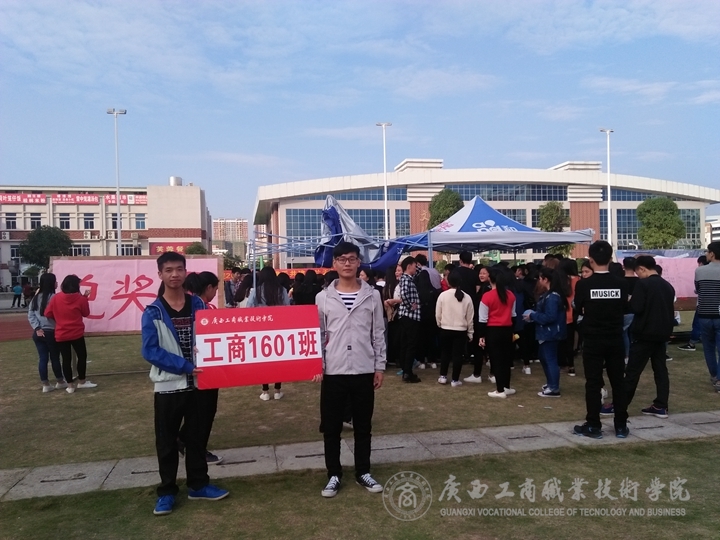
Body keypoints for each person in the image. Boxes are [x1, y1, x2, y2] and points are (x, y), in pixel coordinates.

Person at [141, 252, 228, 516]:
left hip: (203, 384)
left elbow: (216, 337)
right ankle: (167, 492)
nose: (175, 275)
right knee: (167, 442)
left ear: (185, 272)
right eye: (168, 270)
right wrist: (185, 366)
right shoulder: (153, 311)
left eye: (179, 269)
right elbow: (150, 351)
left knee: (198, 439)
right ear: (160, 274)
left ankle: (198, 485)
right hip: (170, 385)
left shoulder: (199, 306)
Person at [314, 242, 386, 498]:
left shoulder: (372, 295)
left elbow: (378, 332)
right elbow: (319, 334)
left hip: (363, 368)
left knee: (363, 426)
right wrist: (318, 363)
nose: (347, 263)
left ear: (359, 263)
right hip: (334, 370)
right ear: (334, 263)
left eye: (352, 259)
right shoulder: (323, 297)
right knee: (331, 427)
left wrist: (379, 366)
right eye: (342, 259)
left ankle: (363, 471)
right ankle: (333, 474)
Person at [573, 241, 629, 439]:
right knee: (618, 382)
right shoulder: (621, 284)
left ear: (591, 260)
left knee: (593, 383)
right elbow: (624, 308)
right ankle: (620, 425)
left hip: (593, 338)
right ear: (610, 258)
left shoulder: (584, 284)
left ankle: (593, 425)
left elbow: (578, 308)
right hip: (615, 337)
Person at [620, 256, 676, 418]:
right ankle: (661, 405)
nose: (637, 275)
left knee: (632, 371)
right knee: (660, 370)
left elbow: (636, 308)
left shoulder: (643, 284)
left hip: (644, 333)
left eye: (637, 272)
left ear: (642, 269)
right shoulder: (667, 286)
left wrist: (629, 301)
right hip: (662, 333)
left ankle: (620, 405)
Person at [179, 271, 223, 465]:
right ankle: (197, 450)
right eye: (215, 289)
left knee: (200, 411)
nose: (215, 293)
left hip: (200, 366)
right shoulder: (200, 307)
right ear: (209, 288)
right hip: (204, 367)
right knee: (204, 411)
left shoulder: (194, 304)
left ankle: (183, 439)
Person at [44, 275, 96, 394]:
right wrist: (85, 298)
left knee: (66, 359)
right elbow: (86, 313)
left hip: (61, 333)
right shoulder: (80, 299)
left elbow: (47, 313)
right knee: (82, 356)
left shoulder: (56, 298)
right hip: (76, 333)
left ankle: (70, 385)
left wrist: (58, 319)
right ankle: (82, 381)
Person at [524, 267, 569, 397]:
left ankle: (554, 387)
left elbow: (550, 317)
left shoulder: (552, 297)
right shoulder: (551, 295)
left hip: (550, 333)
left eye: (540, 278)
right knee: (545, 358)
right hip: (548, 332)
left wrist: (533, 316)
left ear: (545, 279)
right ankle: (551, 384)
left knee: (550, 359)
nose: (539, 281)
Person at [247, 266, 290, 399]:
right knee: (278, 359)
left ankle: (265, 391)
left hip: (261, 329)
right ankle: (277, 390)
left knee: (263, 360)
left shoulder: (256, 291)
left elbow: (249, 308)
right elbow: (287, 308)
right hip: (278, 329)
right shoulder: (281, 290)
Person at [478, 266, 516, 398]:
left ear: (490, 279)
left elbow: (482, 319)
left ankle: (500, 390)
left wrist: (481, 335)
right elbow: (514, 315)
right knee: (506, 359)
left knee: (496, 360)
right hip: (507, 329)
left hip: (493, 331)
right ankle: (506, 386)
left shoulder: (487, 296)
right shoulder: (510, 295)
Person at [28, 272, 66, 392]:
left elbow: (30, 315)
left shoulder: (35, 298)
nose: (57, 283)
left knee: (43, 358)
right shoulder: (54, 297)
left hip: (38, 333)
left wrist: (37, 328)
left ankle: (45, 384)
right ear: (51, 283)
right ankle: (60, 381)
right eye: (55, 281)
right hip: (51, 331)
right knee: (55, 358)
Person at [435, 270, 474, 386]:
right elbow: (470, 317)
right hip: (461, 330)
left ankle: (443, 376)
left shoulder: (443, 295)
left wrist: (440, 324)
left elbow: (438, 314)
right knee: (458, 355)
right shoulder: (467, 297)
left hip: (445, 328)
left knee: (445, 353)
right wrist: (470, 332)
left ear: (448, 281)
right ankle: (455, 380)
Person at [695, 242, 720, 392]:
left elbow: (698, 289)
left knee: (708, 347)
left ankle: (714, 375)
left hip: (704, 314)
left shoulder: (700, 271)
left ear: (712, 254)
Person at [396, 256, 422, 383]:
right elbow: (404, 294)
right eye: (414, 266)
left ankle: (406, 370)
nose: (416, 268)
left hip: (406, 315)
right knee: (411, 344)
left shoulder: (407, 278)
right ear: (409, 266)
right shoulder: (406, 279)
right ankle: (407, 372)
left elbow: (419, 270)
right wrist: (410, 307)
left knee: (406, 344)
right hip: (409, 316)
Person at [414, 254, 441, 370]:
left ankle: (422, 360)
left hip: (422, 311)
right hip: (433, 310)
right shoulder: (434, 272)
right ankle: (432, 360)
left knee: (421, 337)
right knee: (432, 336)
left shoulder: (418, 277)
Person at [678, 255, 710, 351]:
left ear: (700, 263)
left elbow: (697, 288)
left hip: (702, 304)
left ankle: (692, 343)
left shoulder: (700, 272)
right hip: (715, 305)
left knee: (697, 324)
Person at [622, 257, 639, 362]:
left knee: (624, 334)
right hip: (636, 311)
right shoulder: (639, 281)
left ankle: (626, 356)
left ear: (623, 266)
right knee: (633, 335)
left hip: (624, 311)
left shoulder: (620, 281)